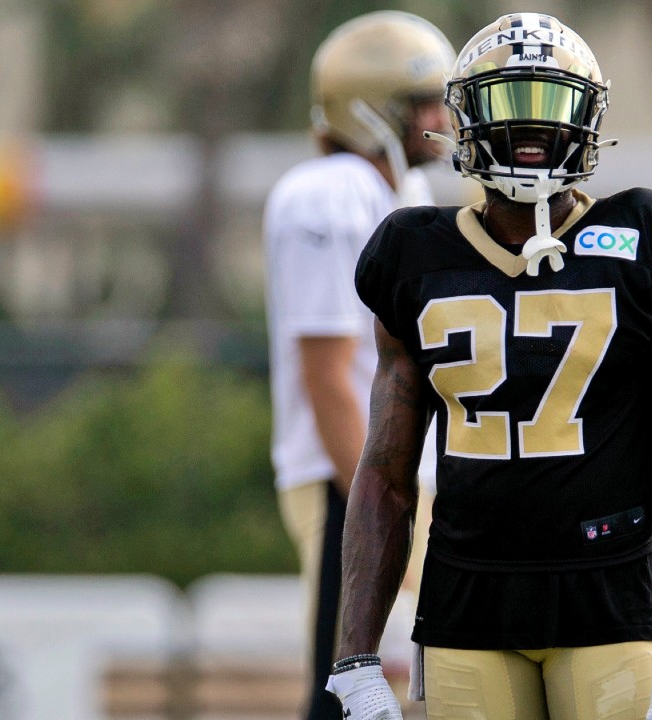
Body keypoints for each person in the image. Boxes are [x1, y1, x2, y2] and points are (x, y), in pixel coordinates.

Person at [324, 13, 652, 720]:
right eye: (506, 104)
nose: (529, 130)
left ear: (585, 116)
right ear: (463, 117)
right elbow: (384, 475)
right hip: (465, 608)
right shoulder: (413, 253)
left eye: (547, 104)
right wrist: (355, 655)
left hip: (608, 603)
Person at [262, 12, 454, 720]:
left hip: (405, 472)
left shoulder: (405, 195)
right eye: (424, 102)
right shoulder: (328, 193)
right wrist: (379, 501)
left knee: (415, 688)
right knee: (349, 684)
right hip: (351, 477)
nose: (439, 118)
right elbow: (326, 375)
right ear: (373, 108)